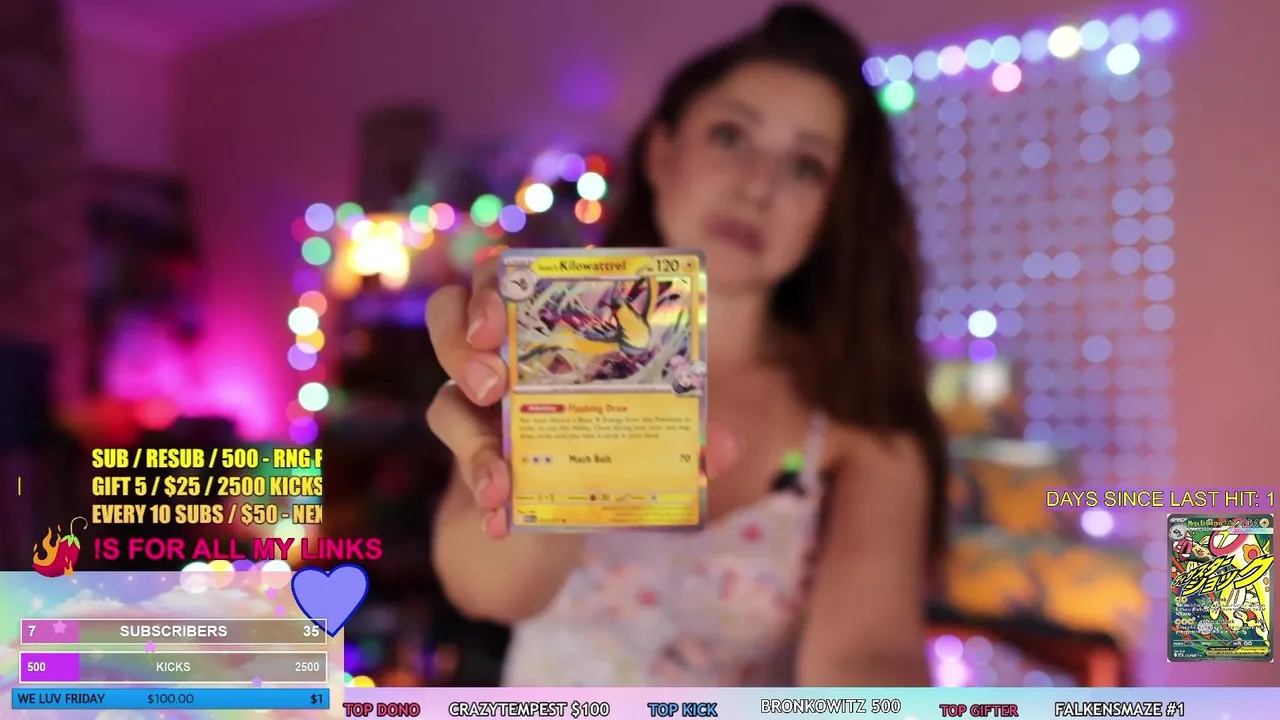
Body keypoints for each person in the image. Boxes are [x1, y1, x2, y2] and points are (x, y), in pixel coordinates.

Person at [426, 3, 948, 686]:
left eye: (807, 167)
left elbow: (868, 658)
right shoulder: (555, 341)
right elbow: (487, 590)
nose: (758, 186)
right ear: (661, 153)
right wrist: (547, 458)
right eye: (731, 136)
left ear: (832, 214)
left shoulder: (864, 427)